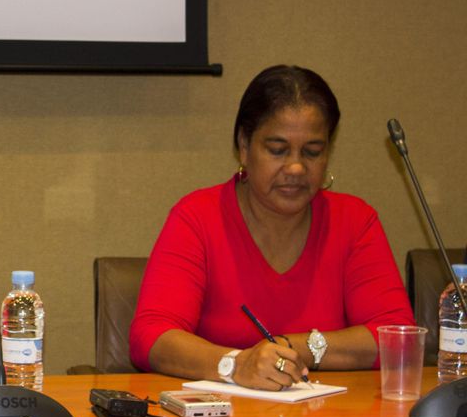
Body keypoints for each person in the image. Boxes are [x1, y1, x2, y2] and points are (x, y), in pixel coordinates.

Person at [129, 65, 414, 391]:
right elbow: (151, 335)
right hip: (220, 416)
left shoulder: (355, 221)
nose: (296, 167)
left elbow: (397, 336)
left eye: (312, 152)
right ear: (244, 145)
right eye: (278, 150)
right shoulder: (197, 218)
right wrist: (238, 365)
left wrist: (296, 348)